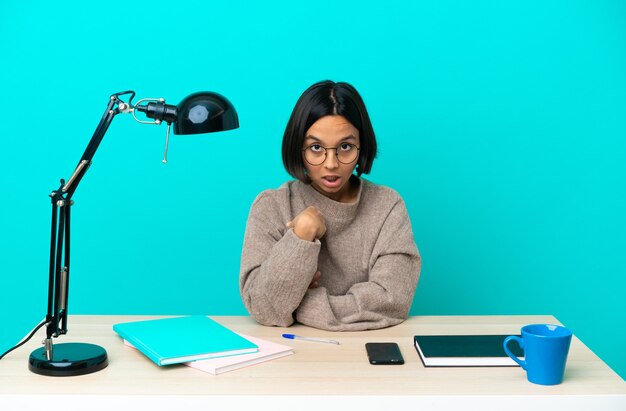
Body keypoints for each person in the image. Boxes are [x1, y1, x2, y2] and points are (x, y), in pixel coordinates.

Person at [239, 80, 421, 331]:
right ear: (298, 148)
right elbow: (265, 308)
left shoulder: (387, 206)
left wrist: (296, 303)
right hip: (292, 358)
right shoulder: (271, 206)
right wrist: (300, 235)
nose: (331, 164)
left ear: (362, 146)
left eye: (345, 147)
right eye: (316, 148)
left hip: (366, 353)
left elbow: (392, 300)